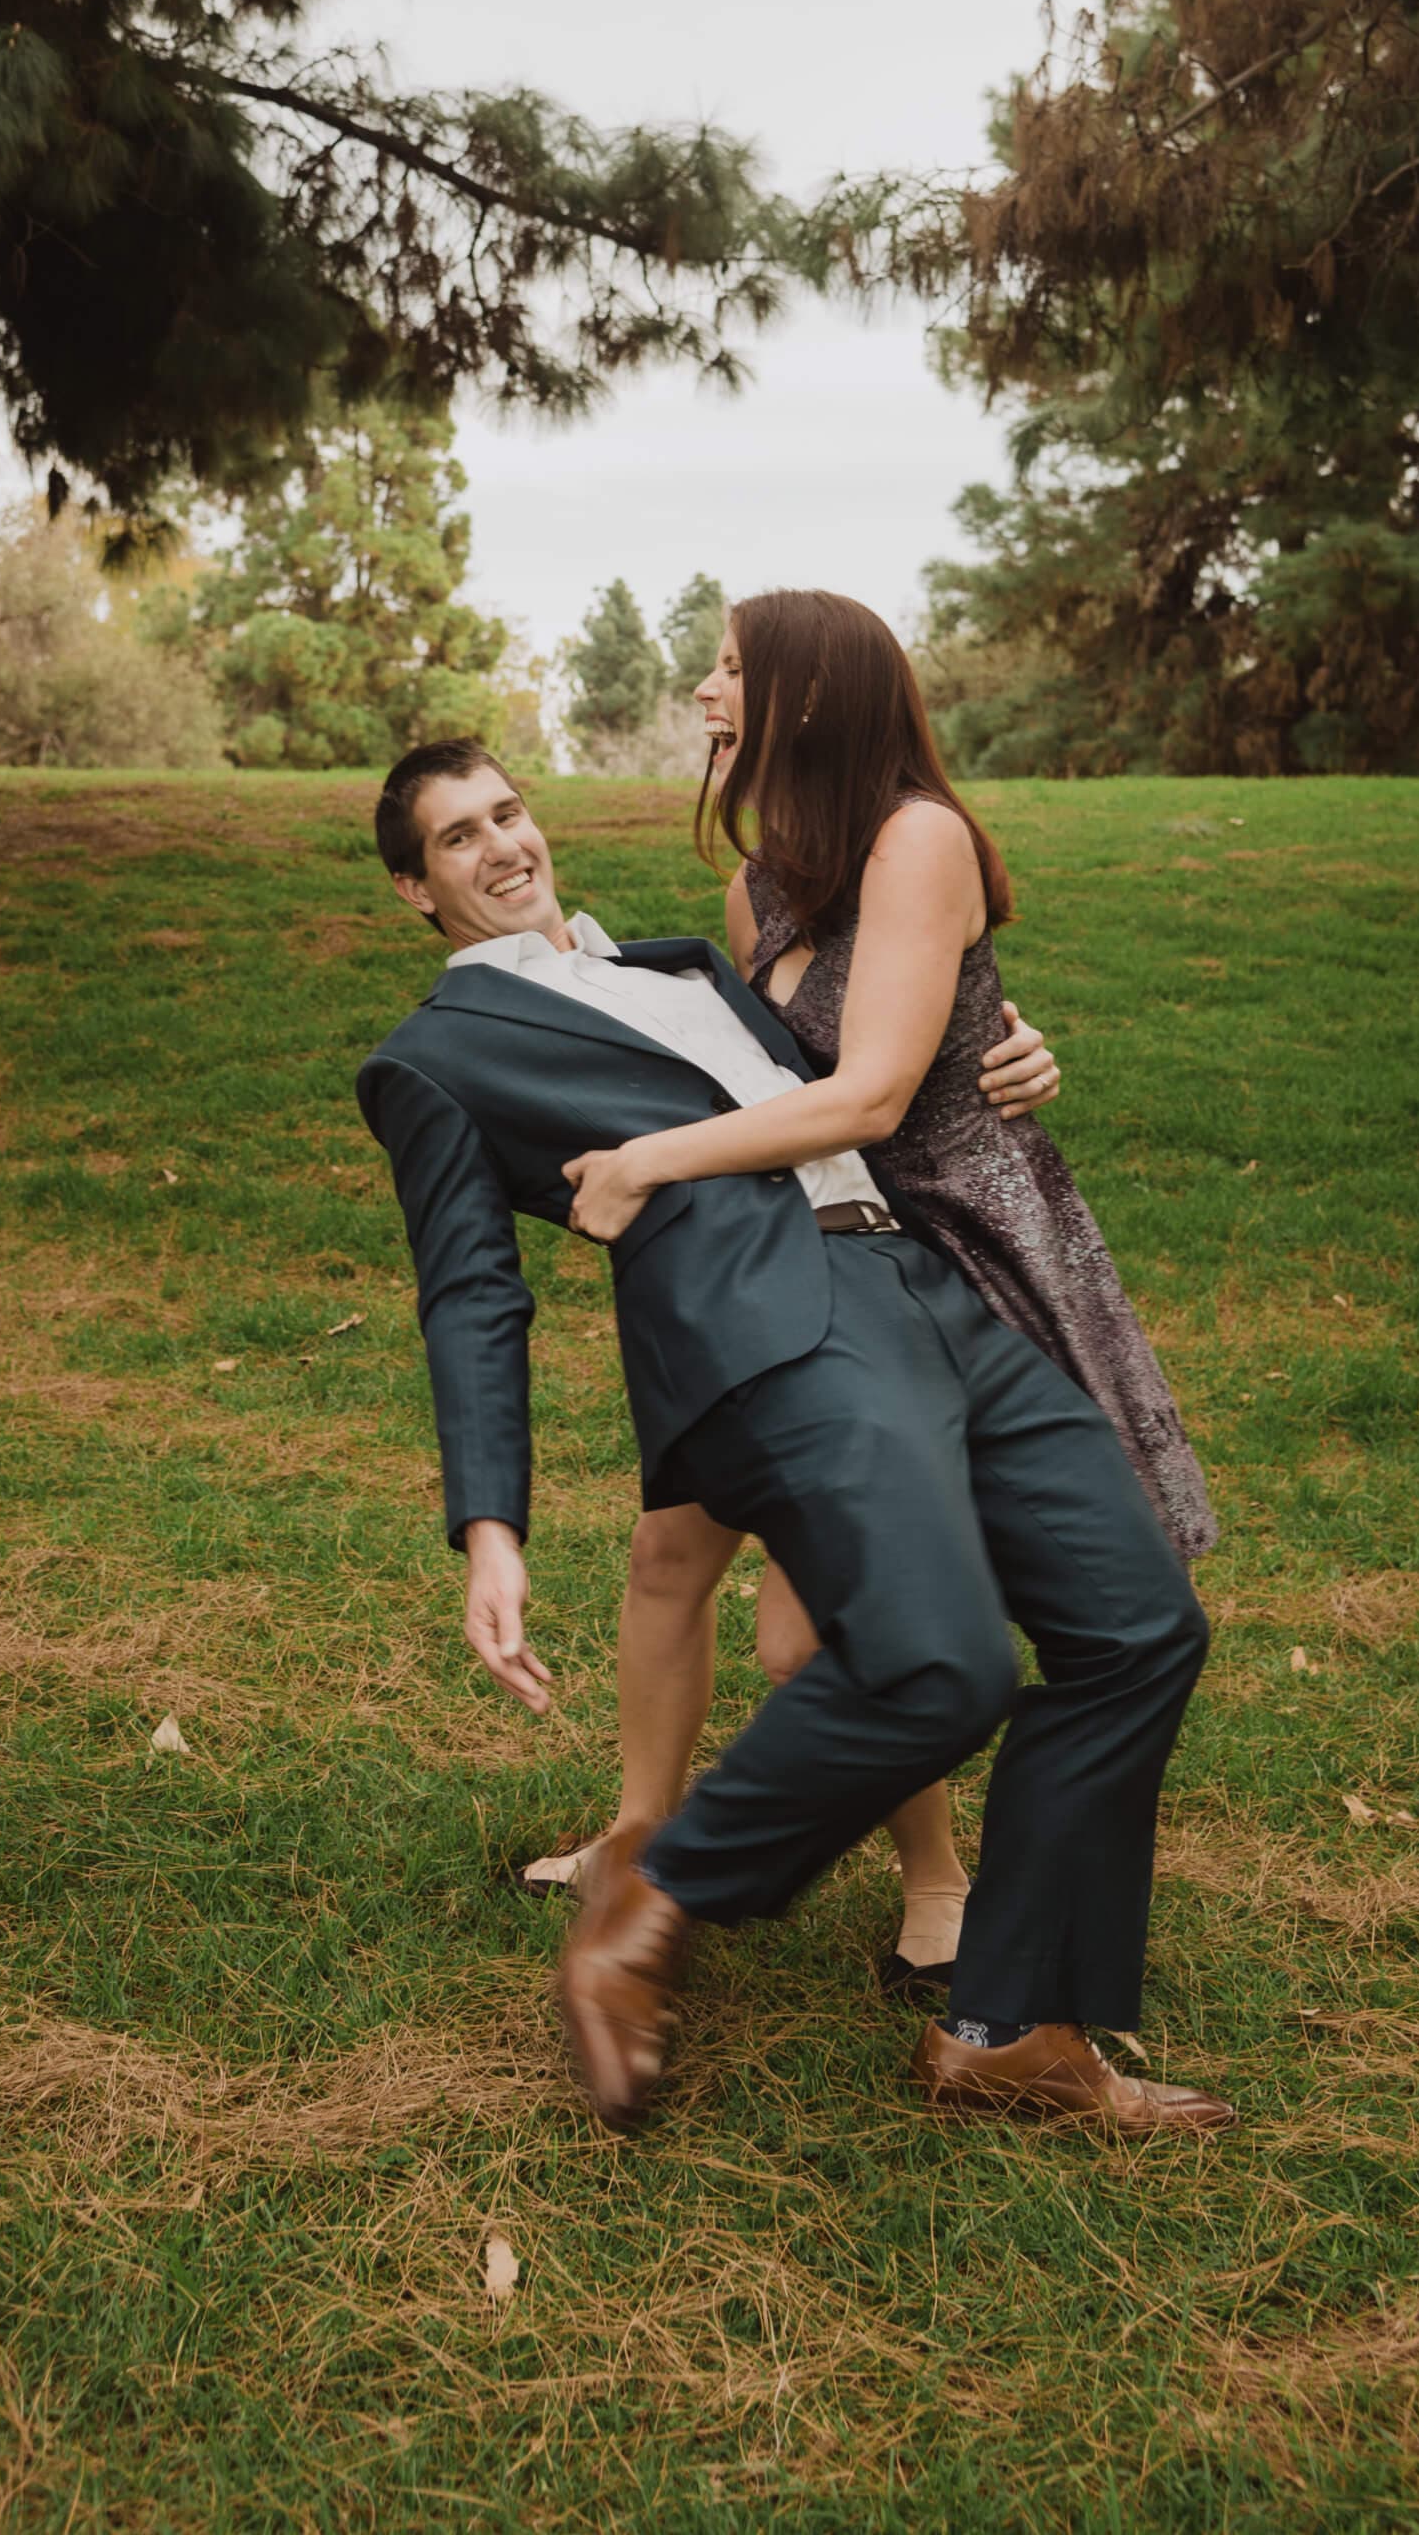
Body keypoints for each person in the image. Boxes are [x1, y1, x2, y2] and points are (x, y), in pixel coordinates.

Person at [356, 735, 1234, 2138]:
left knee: (1138, 1627)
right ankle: (652, 1897)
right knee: (937, 1662)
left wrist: (1006, 1053)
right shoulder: (432, 1056)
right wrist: (490, 1527)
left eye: (507, 812)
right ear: (416, 889)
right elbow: (469, 1293)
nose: (502, 846)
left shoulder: (684, 969)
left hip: (926, 1279)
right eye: (458, 837)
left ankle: (1006, 2032)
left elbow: (870, 1065)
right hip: (771, 1321)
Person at [541, 591, 1218, 1999]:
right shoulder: (763, 885)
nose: (705, 691)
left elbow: (871, 1093)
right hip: (837, 1259)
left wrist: (649, 1163)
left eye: (732, 669)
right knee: (776, 1602)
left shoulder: (920, 839)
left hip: (967, 1245)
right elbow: (770, 1080)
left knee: (859, 1634)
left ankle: (906, 1901)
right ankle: (683, 1864)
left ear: (803, 696)